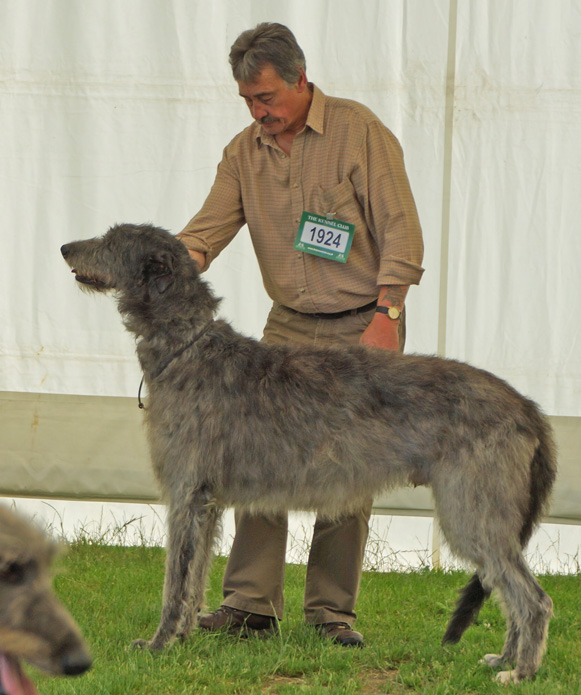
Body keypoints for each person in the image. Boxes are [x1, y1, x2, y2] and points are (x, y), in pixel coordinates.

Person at [176, 22, 424, 647]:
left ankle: (331, 613)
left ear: (300, 80)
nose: (258, 113)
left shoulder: (359, 131)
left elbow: (402, 229)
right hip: (286, 326)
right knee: (256, 454)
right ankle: (251, 604)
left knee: (348, 465)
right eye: (248, 102)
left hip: (362, 322)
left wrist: (387, 315)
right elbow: (206, 233)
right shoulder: (242, 154)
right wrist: (162, 262)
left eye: (266, 99)